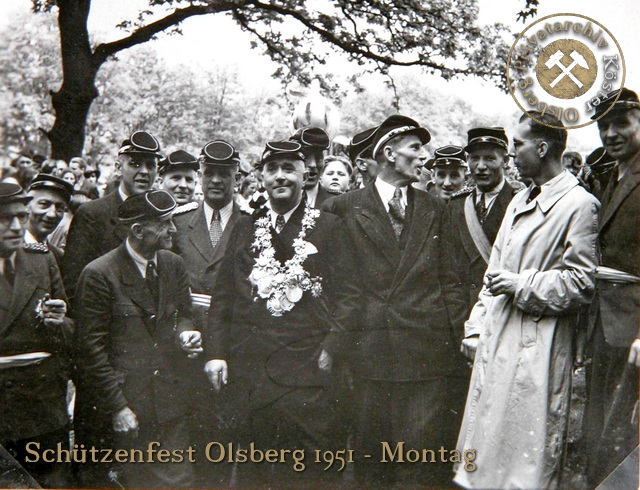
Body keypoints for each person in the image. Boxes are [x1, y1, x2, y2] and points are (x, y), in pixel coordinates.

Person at [455, 112, 599, 488]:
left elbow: (581, 283)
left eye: (517, 145)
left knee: (525, 461)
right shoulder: (520, 200)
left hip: (542, 345)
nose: (512, 154)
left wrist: (522, 284)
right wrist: (476, 329)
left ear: (542, 147)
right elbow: (493, 275)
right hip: (498, 337)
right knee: (483, 455)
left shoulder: (579, 204)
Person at [204, 139, 360, 486]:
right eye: (272, 169)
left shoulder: (329, 226)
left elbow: (350, 296)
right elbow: (224, 296)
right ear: (261, 177)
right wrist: (216, 353)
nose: (280, 177)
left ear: (306, 175)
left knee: (308, 471)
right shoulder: (246, 226)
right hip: (253, 367)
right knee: (253, 468)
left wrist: (331, 349)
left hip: (309, 369)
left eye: (289, 168)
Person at [323, 115, 469, 487]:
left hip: (426, 357)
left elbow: (451, 281)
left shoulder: (436, 209)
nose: (425, 157)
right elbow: (334, 287)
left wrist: (453, 344)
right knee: (371, 460)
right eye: (415, 149)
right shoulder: (343, 207)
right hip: (368, 355)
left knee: (419, 462)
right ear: (389, 154)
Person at [73, 190, 200, 488]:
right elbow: (91, 351)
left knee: (179, 482)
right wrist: (118, 407)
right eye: (165, 223)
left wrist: (186, 332)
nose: (173, 229)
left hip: (169, 401)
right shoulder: (99, 274)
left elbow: (185, 313)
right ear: (138, 231)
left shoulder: (172, 264)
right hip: (126, 405)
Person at [171, 140, 245, 486]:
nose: (216, 180)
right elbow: (168, 287)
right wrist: (181, 329)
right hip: (186, 339)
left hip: (232, 339)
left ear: (237, 179)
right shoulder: (178, 222)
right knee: (189, 427)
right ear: (200, 176)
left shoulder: (252, 222)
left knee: (227, 431)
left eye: (224, 174)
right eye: (210, 173)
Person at [583, 88, 640, 486]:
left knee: (627, 433)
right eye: (604, 125)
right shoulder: (611, 178)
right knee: (601, 425)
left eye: (621, 123)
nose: (611, 133)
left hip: (634, 328)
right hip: (605, 324)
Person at [0, 183, 73, 488]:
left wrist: (59, 322)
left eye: (20, 216)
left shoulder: (41, 260)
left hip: (42, 403)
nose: (17, 226)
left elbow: (71, 327)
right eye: (5, 219)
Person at [61, 130, 162, 302]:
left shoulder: (161, 216)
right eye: (135, 164)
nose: (144, 172)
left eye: (151, 165)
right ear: (118, 167)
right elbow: (74, 282)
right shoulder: (92, 214)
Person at [449, 128, 518, 313]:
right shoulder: (456, 205)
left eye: (489, 158)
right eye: (474, 158)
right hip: (462, 311)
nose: (480, 166)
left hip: (503, 309)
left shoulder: (520, 203)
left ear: (505, 161)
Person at [25, 173, 75, 266]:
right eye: (44, 204)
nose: (52, 214)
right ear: (27, 206)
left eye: (59, 207)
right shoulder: (9, 249)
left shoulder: (58, 257)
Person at [290, 126, 332, 207]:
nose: (313, 164)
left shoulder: (336, 203)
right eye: (306, 157)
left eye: (318, 157)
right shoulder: (276, 200)